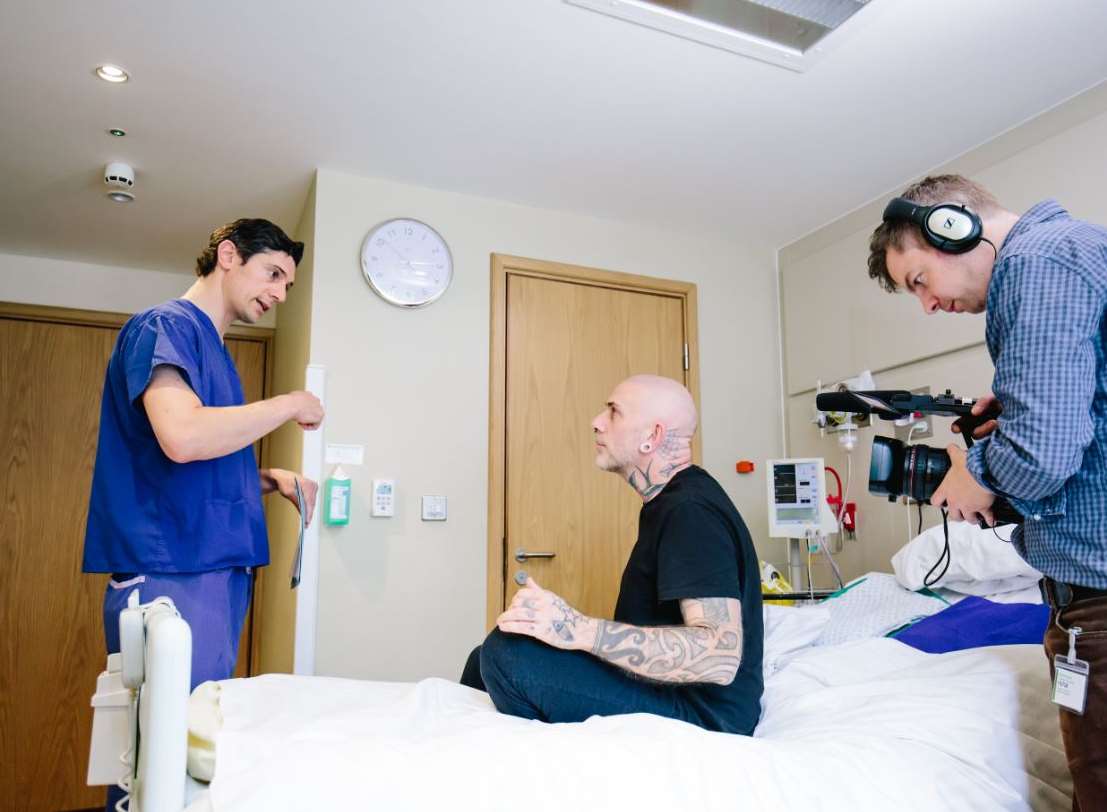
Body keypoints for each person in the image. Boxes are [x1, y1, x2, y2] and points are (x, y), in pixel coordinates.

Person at [867, 174, 1107, 809]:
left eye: (919, 281)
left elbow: (1041, 455)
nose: (927, 305)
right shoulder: (1071, 254)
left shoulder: (1038, 261)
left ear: (953, 226)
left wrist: (974, 471)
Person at [83, 217, 324, 688]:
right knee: (169, 745)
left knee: (193, 737)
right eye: (274, 274)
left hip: (206, 572)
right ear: (229, 256)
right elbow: (184, 436)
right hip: (172, 576)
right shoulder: (166, 326)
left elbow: (188, 468)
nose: (280, 295)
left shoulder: (211, 348)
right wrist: (291, 403)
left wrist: (270, 479)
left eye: (288, 285)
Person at [461, 374, 763, 735]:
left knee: (506, 655)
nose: (597, 422)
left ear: (652, 437)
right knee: (482, 659)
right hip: (665, 690)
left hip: (704, 716)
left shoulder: (690, 511)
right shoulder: (670, 503)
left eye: (614, 413)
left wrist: (579, 629)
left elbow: (719, 656)